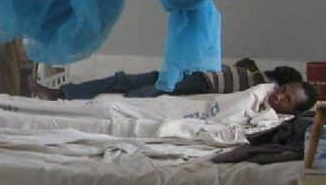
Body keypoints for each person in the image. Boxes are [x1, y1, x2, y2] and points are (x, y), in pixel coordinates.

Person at [35, 60, 317, 115]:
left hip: (197, 87)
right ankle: (61, 93)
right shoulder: (261, 82)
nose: (280, 96)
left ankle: (76, 107)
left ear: (292, 111)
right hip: (195, 74)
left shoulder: (261, 110)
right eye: (285, 90)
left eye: (288, 100)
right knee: (123, 80)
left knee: (137, 96)